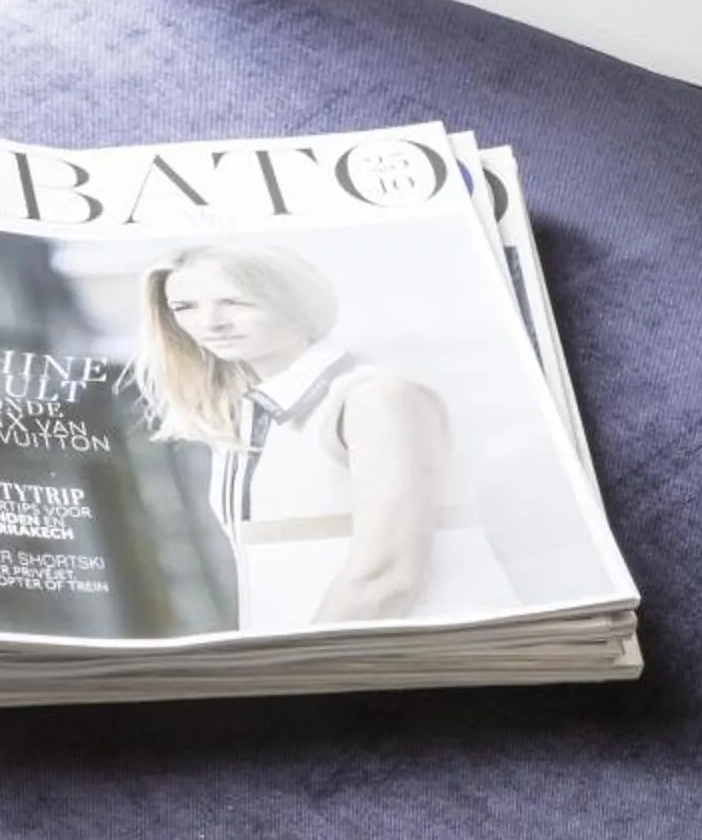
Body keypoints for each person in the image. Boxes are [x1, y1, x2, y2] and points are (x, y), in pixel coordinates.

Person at [132, 242, 517, 632]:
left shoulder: (375, 398)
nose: (209, 323)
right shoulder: (243, 419)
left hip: (423, 663)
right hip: (331, 664)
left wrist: (295, 673)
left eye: (235, 302)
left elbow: (387, 578)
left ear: (297, 302)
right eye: (184, 308)